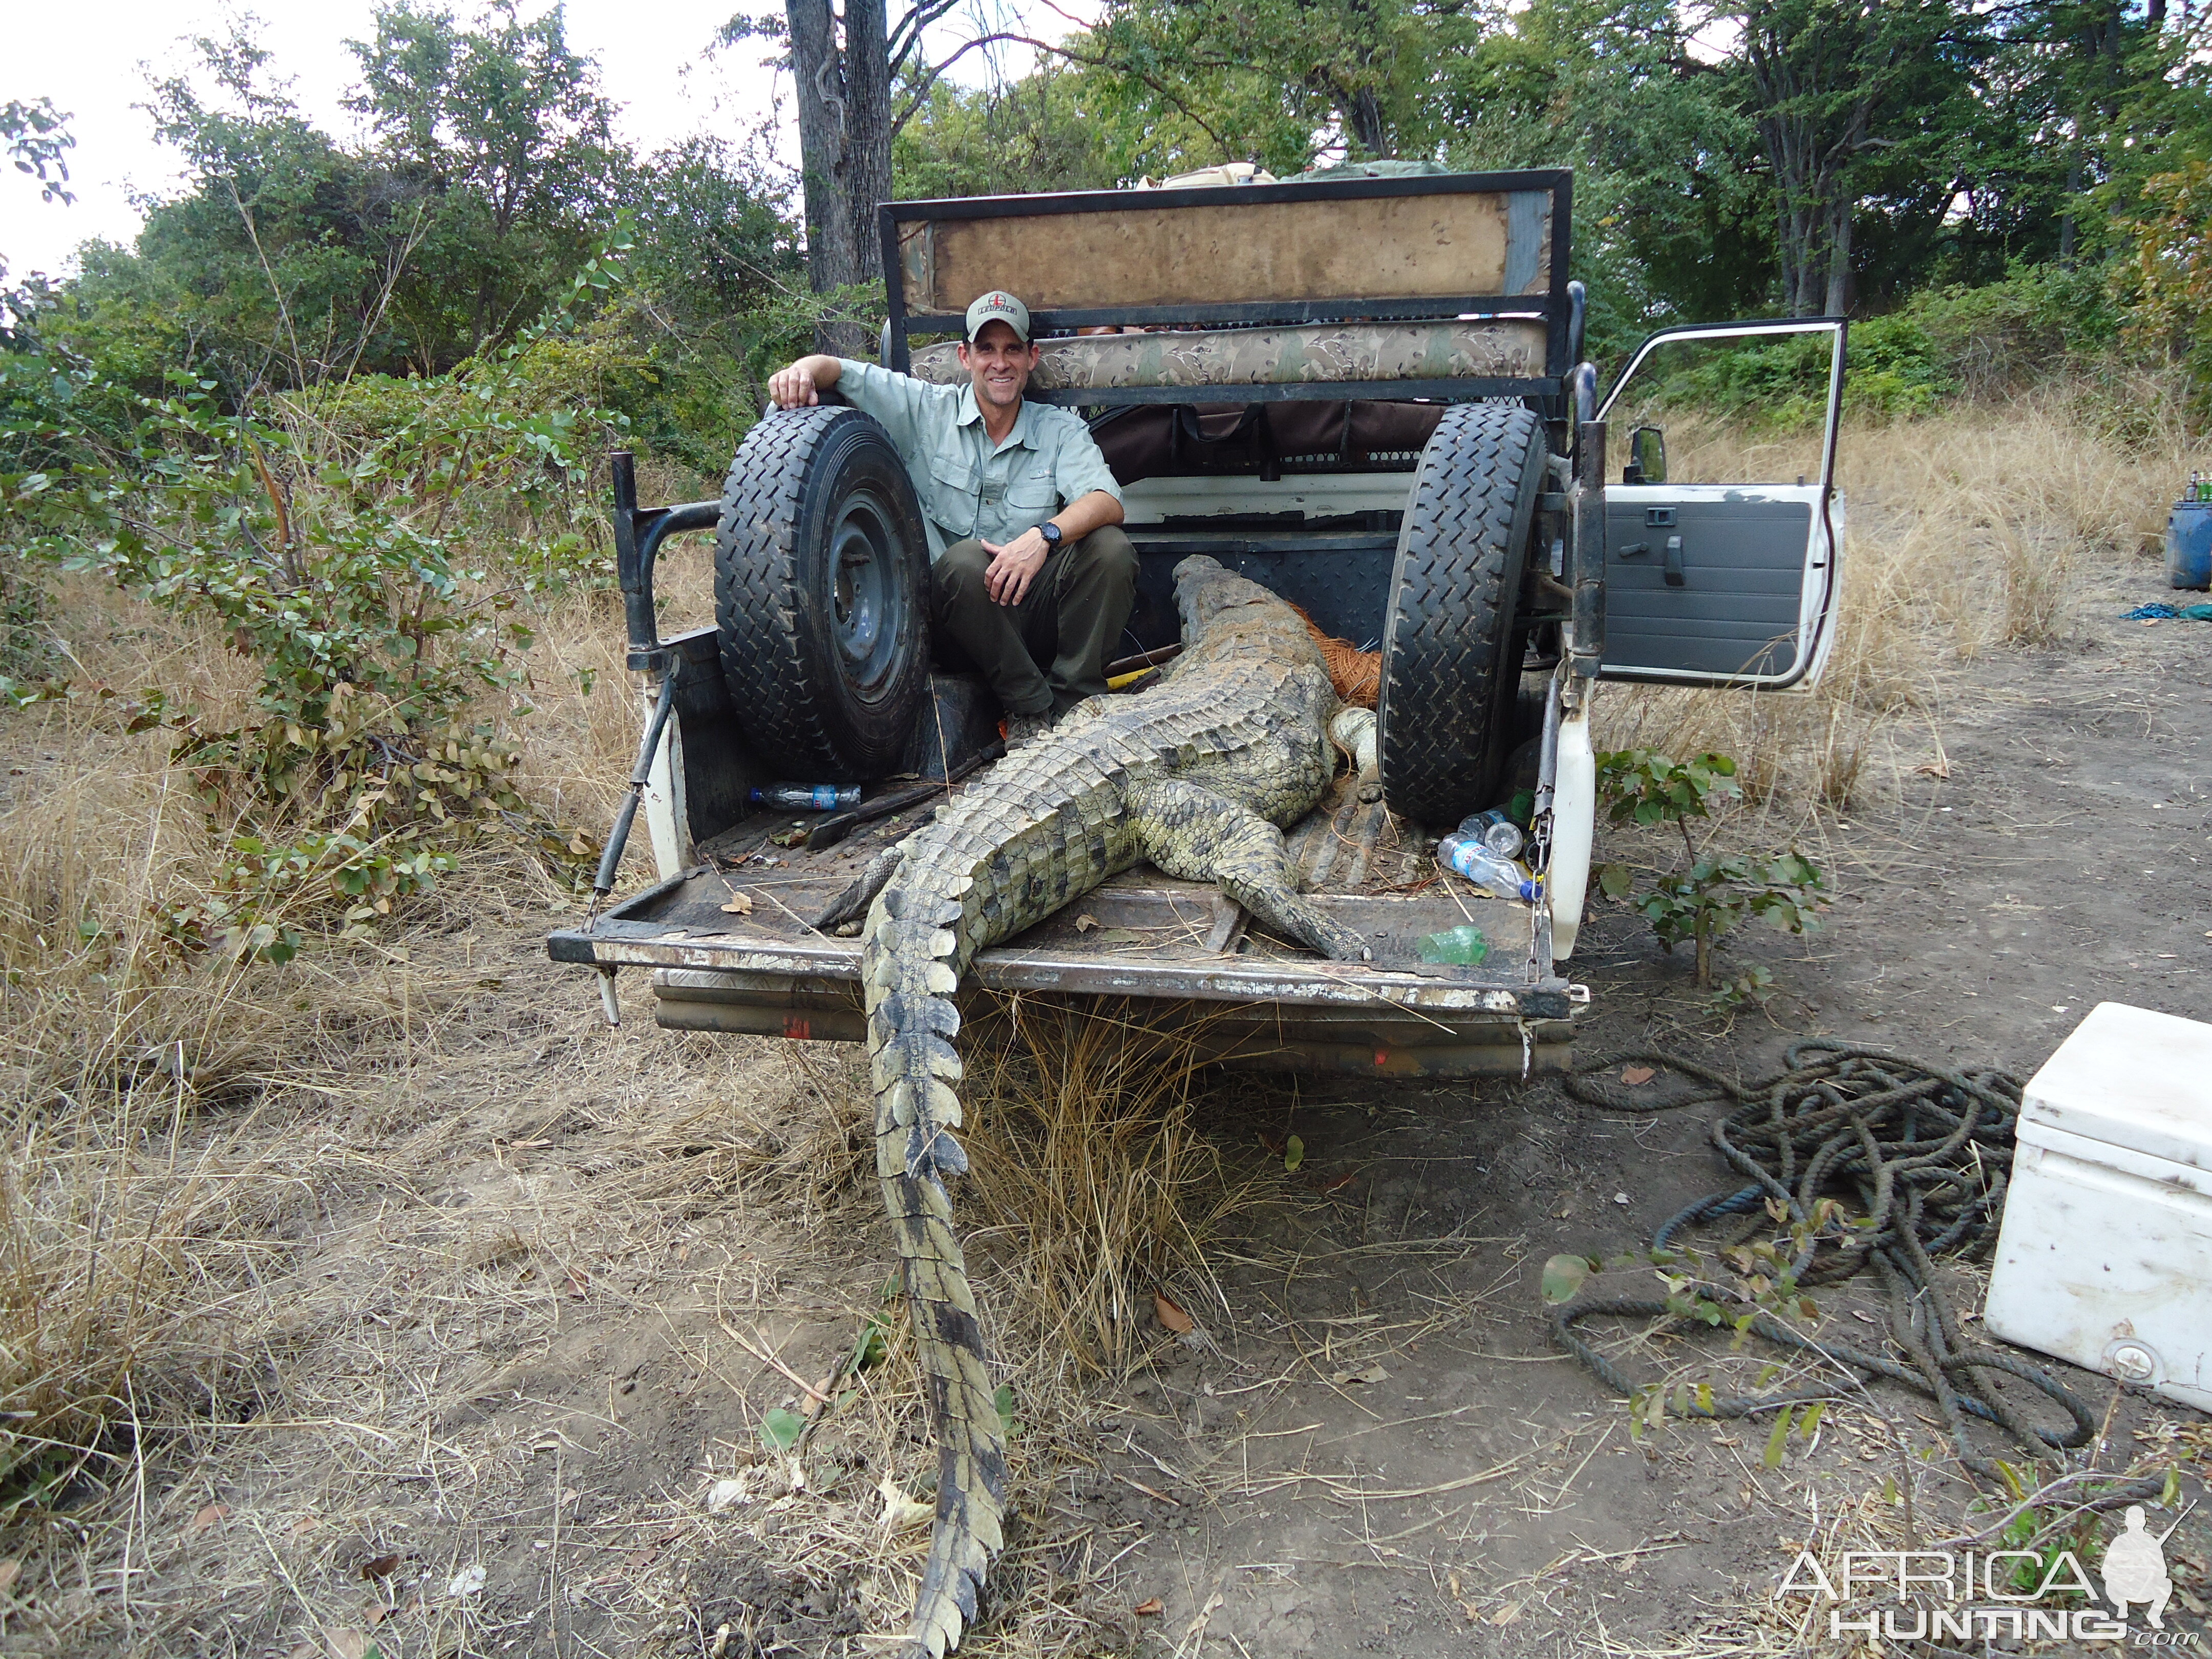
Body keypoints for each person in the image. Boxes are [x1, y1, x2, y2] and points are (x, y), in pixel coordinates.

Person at [767, 291, 1136, 745]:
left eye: (1013, 349)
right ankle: (1030, 710)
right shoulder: (927, 409)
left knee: (1111, 549)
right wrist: (799, 372)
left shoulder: (1057, 428)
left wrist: (1043, 537)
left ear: (1031, 357)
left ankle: (1075, 704)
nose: (1000, 363)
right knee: (963, 561)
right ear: (965, 357)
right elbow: (840, 371)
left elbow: (1106, 500)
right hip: (954, 622)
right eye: (987, 350)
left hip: (1032, 611)